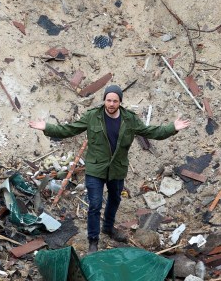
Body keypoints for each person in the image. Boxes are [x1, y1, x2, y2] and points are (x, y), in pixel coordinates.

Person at [29, 84, 190, 253]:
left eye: (115, 101)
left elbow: (151, 131)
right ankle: (93, 240)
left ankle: (108, 228)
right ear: (104, 100)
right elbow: (69, 129)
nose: (111, 104)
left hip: (117, 169)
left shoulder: (129, 119)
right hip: (95, 168)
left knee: (114, 200)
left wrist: (172, 128)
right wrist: (47, 127)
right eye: (108, 100)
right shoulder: (93, 116)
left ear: (120, 102)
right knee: (95, 204)